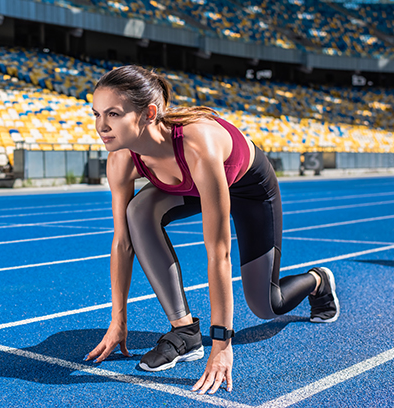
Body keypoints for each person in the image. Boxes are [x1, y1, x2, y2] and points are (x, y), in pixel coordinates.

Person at [84, 66, 340, 395]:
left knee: (266, 305)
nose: (101, 126)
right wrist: (118, 320)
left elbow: (218, 253)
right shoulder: (121, 158)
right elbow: (122, 243)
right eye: (96, 114)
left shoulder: (197, 145)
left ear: (148, 113)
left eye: (113, 114)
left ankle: (318, 281)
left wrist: (222, 344)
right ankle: (185, 333)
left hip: (249, 189)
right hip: (191, 186)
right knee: (138, 210)